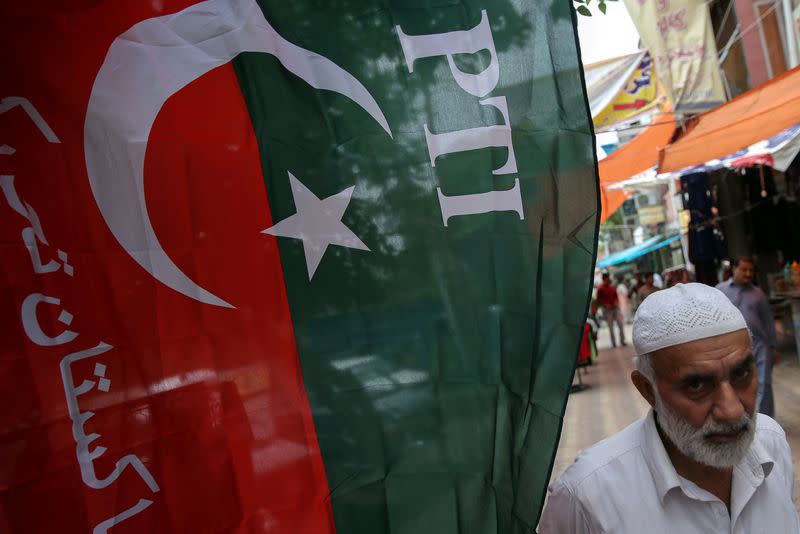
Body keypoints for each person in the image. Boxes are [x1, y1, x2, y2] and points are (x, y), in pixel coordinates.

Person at [539, 283, 798, 533]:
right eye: (696, 385)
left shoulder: (770, 442)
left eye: (741, 373)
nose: (731, 411)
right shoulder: (587, 498)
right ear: (648, 390)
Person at [716, 257, 778, 417]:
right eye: (744, 269)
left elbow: (768, 321)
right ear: (734, 269)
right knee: (736, 383)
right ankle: (743, 417)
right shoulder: (720, 291)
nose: (748, 273)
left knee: (764, 383)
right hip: (732, 347)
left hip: (760, 344)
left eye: (751, 270)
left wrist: (773, 346)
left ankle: (765, 420)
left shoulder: (758, 293)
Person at [596, 273, 626, 347]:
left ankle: (622, 341)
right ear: (604, 279)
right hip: (607, 310)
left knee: (620, 324)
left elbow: (616, 296)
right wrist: (605, 305)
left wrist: (616, 303)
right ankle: (614, 343)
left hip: (615, 308)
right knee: (611, 327)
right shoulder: (600, 288)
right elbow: (599, 300)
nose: (608, 279)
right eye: (607, 278)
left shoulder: (612, 287)